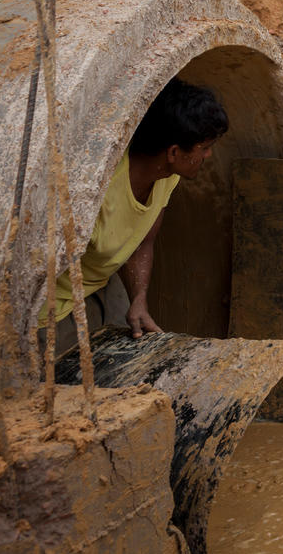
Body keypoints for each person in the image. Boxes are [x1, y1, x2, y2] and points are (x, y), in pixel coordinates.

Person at [39, 78, 229, 356]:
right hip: (54, 310)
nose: (209, 154)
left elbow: (141, 242)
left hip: (103, 285)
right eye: (204, 147)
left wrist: (138, 298)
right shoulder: (95, 190)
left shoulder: (166, 176)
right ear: (174, 152)